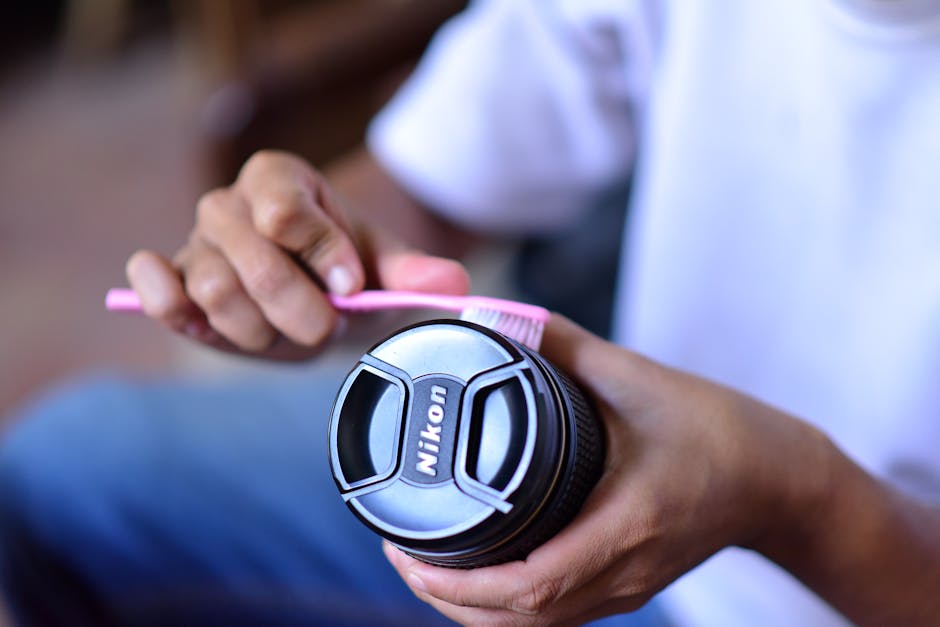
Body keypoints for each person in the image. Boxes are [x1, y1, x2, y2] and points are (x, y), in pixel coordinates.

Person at [3, 1, 940, 625]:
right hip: (589, 465)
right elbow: (430, 178)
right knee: (56, 475)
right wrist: (311, 245)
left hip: (853, 588)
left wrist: (792, 497)